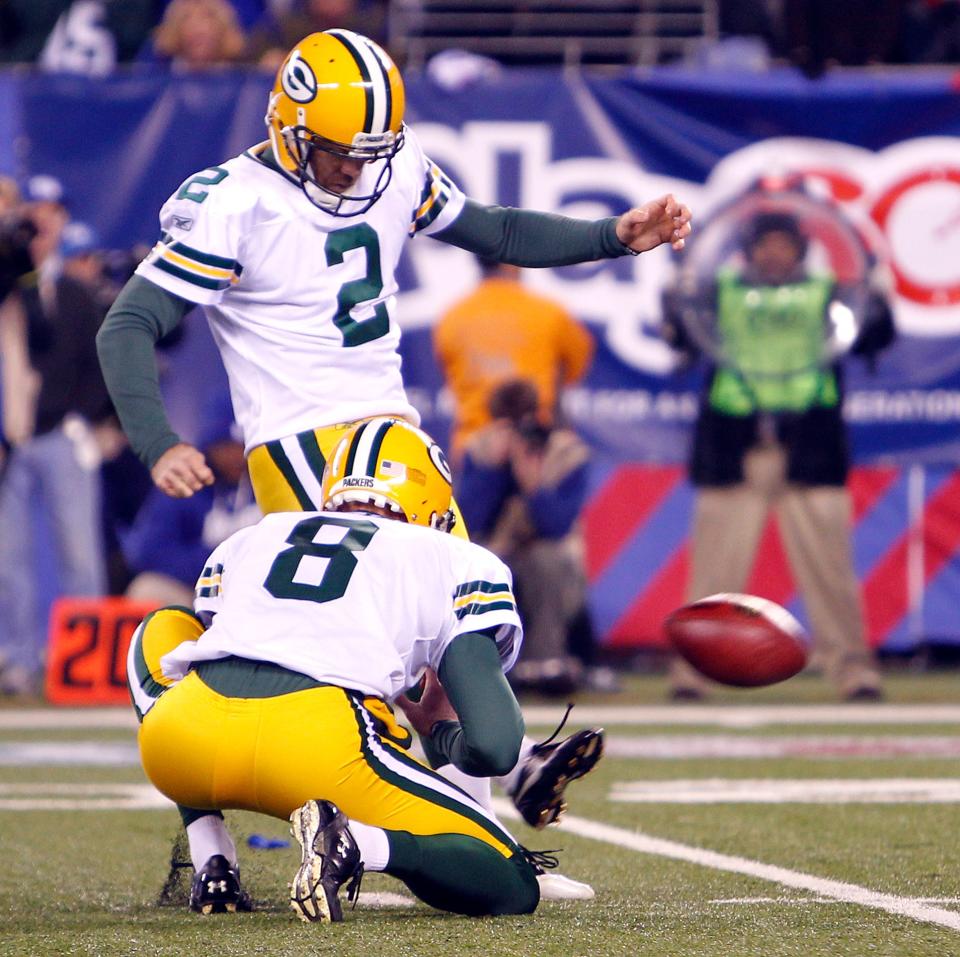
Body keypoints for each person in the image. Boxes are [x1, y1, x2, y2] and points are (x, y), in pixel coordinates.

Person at [97, 27, 682, 893]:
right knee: (401, 640)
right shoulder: (234, 202)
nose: (353, 170)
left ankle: (478, 806)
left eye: (370, 153)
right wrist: (160, 442)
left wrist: (612, 238)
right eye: (337, 152)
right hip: (299, 445)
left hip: (385, 427)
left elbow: (497, 228)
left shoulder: (390, 168)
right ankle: (466, 811)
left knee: (435, 639)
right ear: (289, 127)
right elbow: (127, 325)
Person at [127, 418, 600, 920]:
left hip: (181, 745)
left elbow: (220, 640)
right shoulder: (452, 557)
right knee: (509, 878)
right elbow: (495, 744)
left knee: (162, 625)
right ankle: (355, 844)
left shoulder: (257, 535)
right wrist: (439, 733)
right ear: (431, 501)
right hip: (317, 747)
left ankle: (211, 854)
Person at [661, 209, 894, 702]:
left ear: (801, 249)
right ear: (747, 249)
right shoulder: (715, 290)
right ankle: (692, 675)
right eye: (764, 243)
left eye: (783, 243)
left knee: (831, 569)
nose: (774, 252)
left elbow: (875, 337)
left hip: (809, 446)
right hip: (734, 448)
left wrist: (879, 297)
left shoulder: (829, 293)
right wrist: (672, 299)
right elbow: (681, 335)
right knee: (714, 570)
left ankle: (852, 669)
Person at [0, 175, 112, 695]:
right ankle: (18, 663)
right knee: (9, 556)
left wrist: (82, 419)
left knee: (79, 553)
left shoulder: (74, 291)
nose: (40, 227)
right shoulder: (9, 281)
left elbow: (99, 364)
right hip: (9, 437)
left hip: (61, 433)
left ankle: (82, 666)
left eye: (49, 217)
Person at [458, 379, 595, 695]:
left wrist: (531, 481)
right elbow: (468, 522)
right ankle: (482, 666)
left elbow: (556, 525)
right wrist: (492, 470)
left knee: (547, 560)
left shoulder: (567, 453)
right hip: (497, 551)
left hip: (555, 566)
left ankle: (547, 664)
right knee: (478, 564)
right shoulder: (479, 449)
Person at [434, 258, 594, 467]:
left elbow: (449, 371)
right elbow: (576, 365)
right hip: (535, 451)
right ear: (511, 262)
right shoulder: (548, 312)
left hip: (474, 448)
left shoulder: (452, 317)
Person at [124, 413, 260, 607]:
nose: (236, 457)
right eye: (227, 447)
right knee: (146, 590)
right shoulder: (184, 480)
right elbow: (148, 552)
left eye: (242, 447)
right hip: (197, 589)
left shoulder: (275, 479)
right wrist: (217, 564)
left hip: (257, 592)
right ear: (211, 446)